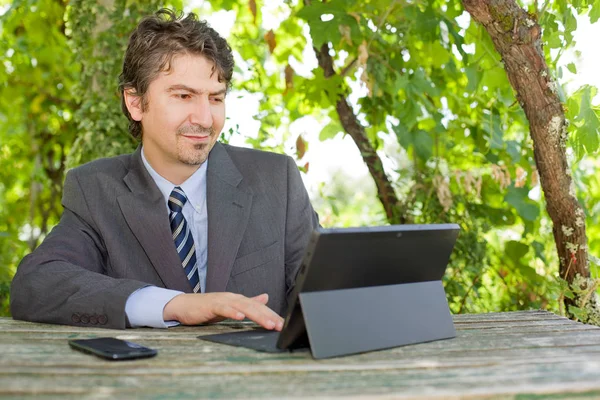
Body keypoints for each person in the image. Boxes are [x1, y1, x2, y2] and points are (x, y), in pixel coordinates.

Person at [9, 9, 319, 330]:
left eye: (215, 98)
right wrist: (172, 305)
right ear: (135, 102)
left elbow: (325, 288)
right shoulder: (94, 189)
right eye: (183, 95)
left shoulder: (276, 179)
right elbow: (36, 285)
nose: (204, 118)